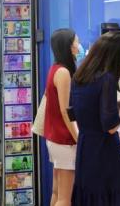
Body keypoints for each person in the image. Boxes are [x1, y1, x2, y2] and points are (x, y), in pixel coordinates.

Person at [71, 31, 120, 205]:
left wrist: (116, 105)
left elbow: (83, 112)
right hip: (105, 152)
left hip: (86, 149)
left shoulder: (79, 77)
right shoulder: (106, 79)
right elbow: (111, 126)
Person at [43, 29, 79, 206]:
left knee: (57, 192)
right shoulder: (64, 72)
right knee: (65, 197)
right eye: (76, 42)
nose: (78, 46)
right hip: (64, 139)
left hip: (55, 137)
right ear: (68, 46)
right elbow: (66, 110)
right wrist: (77, 137)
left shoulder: (55, 69)